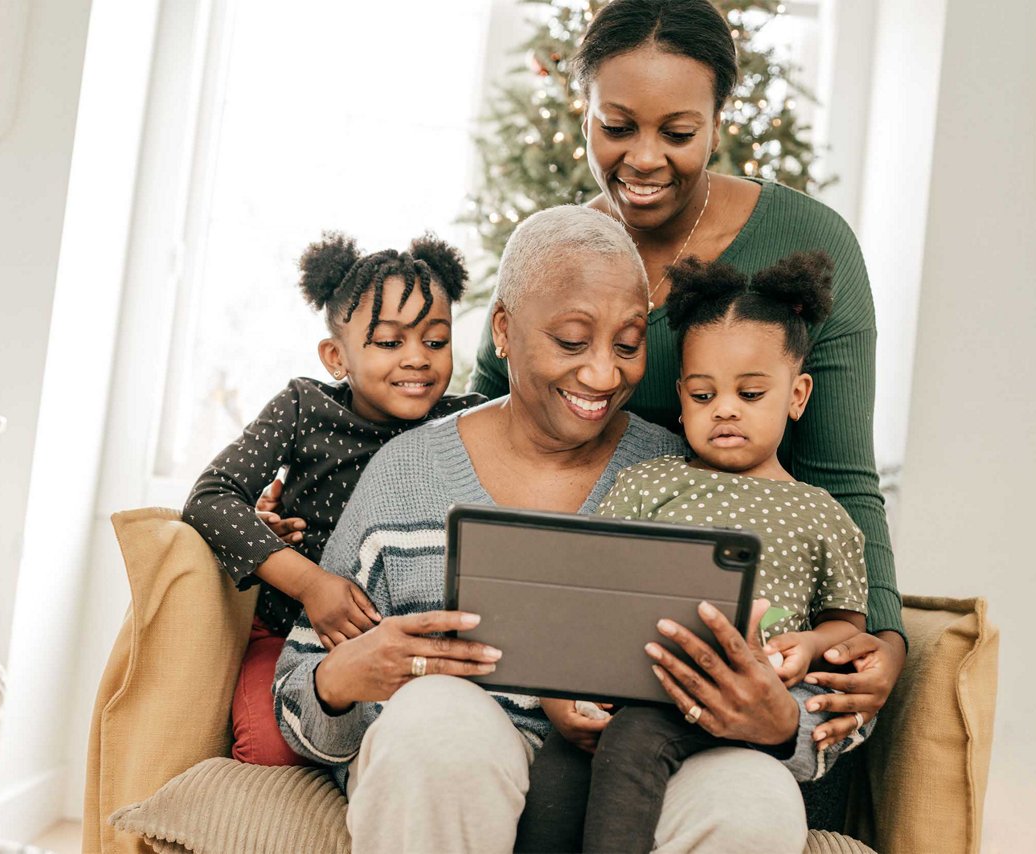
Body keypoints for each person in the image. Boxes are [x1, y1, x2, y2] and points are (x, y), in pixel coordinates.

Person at [275, 206, 839, 854]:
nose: (603, 375)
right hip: (451, 778)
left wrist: (782, 724)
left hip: (636, 785)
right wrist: (344, 677)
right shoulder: (406, 473)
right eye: (572, 342)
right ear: (506, 331)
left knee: (755, 796)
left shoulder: (693, 475)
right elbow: (299, 698)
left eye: (628, 345)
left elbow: (808, 664)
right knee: (437, 720)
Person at [468, 0, 908, 818]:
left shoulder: (811, 242)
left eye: (678, 132)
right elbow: (482, 430)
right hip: (600, 647)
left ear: (719, 119)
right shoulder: (555, 252)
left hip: (754, 659)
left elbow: (845, 482)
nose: (643, 159)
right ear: (585, 110)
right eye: (616, 126)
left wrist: (882, 638)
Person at [517, 251, 878, 853]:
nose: (727, 409)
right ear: (682, 398)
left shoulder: (821, 513)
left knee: (634, 738)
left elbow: (848, 626)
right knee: (560, 767)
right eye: (705, 395)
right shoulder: (648, 484)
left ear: (797, 394)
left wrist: (811, 644)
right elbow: (587, 582)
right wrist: (564, 689)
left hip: (747, 695)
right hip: (635, 681)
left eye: (752, 392)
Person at [182, 232, 482, 765]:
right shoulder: (305, 407)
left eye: (435, 342)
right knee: (270, 746)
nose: (417, 359)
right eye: (390, 343)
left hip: (408, 643)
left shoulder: (465, 421)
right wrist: (312, 585)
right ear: (336, 357)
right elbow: (211, 497)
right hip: (289, 633)